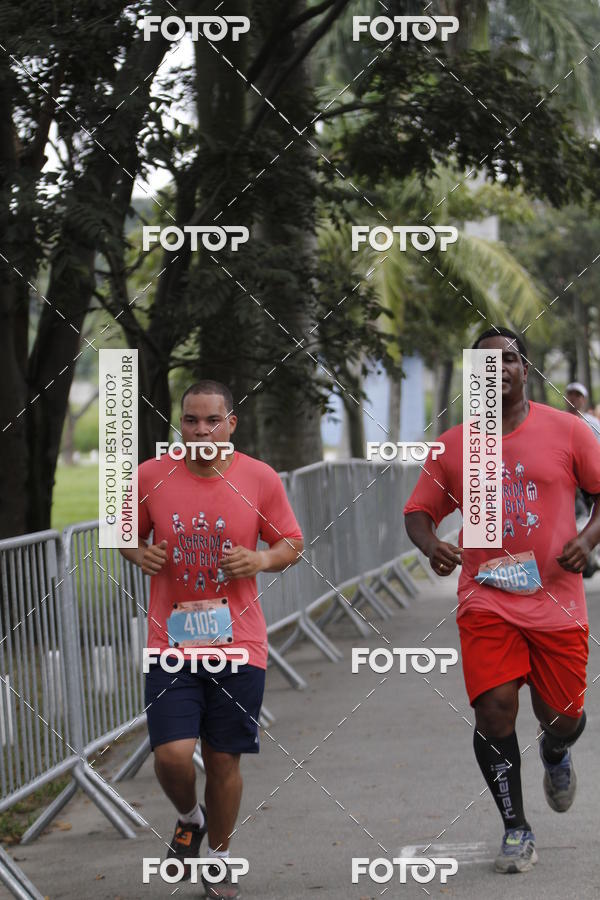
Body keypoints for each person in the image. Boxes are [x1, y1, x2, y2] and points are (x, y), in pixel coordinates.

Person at [404, 327, 600, 874]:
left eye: (509, 359)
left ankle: (556, 752)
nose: (500, 368)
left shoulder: (568, 430)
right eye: (487, 362)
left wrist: (586, 540)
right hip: (486, 597)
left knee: (562, 716)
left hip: (556, 599)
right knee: (494, 711)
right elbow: (418, 511)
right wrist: (432, 545)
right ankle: (515, 827)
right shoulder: (453, 446)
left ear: (526, 369)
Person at [120, 380, 304, 899]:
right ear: (181, 424)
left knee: (224, 759)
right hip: (170, 643)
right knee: (172, 755)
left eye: (212, 421)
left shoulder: (259, 478)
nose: (201, 430)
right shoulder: (151, 476)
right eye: (191, 421)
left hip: (238, 643)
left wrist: (260, 559)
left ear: (231, 424)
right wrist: (139, 554)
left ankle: (220, 858)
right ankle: (188, 818)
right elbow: (125, 535)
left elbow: (291, 541)